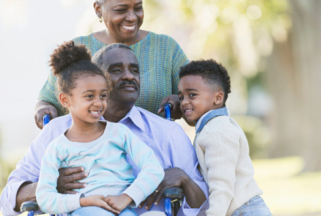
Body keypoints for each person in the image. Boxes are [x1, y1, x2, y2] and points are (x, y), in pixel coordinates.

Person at [0, 44, 208, 216]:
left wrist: (184, 179)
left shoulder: (168, 133)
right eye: (116, 70)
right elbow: (9, 199)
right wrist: (49, 184)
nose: (129, 76)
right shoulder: (56, 135)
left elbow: (206, 205)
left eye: (135, 70)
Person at [35, 41, 164, 216]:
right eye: (89, 96)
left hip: (123, 209)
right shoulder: (57, 148)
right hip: (84, 211)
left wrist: (127, 197)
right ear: (65, 100)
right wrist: (83, 201)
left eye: (103, 95)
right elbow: (44, 198)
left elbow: (154, 169)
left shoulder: (119, 133)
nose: (98, 102)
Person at [34, 0, 188, 129]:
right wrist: (43, 109)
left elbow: (196, 95)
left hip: (155, 149)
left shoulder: (166, 48)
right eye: (121, 10)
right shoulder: (79, 49)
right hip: (92, 152)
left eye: (138, 8)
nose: (132, 17)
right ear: (98, 9)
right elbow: (47, 100)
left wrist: (181, 101)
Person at [177, 59, 272, 216]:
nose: (184, 102)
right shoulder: (214, 126)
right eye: (181, 97)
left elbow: (222, 185)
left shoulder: (216, 131)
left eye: (192, 95)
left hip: (244, 211)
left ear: (218, 98)